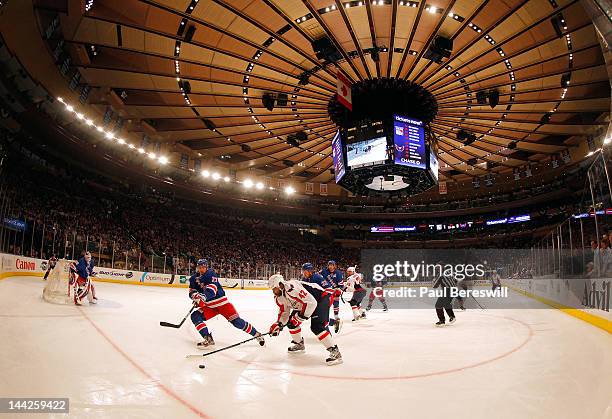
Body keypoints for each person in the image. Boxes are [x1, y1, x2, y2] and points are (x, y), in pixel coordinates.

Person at [267, 272, 343, 366]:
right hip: (305, 303)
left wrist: (299, 318)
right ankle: (299, 344)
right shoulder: (279, 297)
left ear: (280, 285)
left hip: (321, 298)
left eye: (274, 289)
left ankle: (335, 352)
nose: (273, 291)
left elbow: (311, 303)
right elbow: (284, 312)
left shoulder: (292, 288)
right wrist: (279, 324)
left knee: (317, 326)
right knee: (291, 324)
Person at [189, 259, 264, 348]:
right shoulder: (193, 278)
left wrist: (200, 297)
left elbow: (211, 292)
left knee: (237, 322)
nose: (201, 269)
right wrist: (195, 297)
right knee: (195, 316)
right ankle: (208, 338)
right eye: (200, 267)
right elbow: (191, 292)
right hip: (210, 307)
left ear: (206, 267)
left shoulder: (210, 274)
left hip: (222, 304)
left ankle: (257, 334)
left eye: (203, 267)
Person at [301, 263, 342, 333]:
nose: (304, 273)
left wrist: (325, 298)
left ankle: (328, 337)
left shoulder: (317, 277)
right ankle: (334, 322)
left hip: (325, 299)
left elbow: (329, 289)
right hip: (316, 301)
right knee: (316, 317)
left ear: (310, 271)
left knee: (321, 321)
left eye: (305, 271)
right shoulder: (304, 279)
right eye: (303, 271)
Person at [320, 260, 344, 329]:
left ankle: (336, 317)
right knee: (325, 305)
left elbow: (341, 285)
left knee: (336, 303)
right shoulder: (324, 271)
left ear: (334, 266)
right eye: (329, 265)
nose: (330, 266)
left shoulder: (338, 273)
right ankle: (326, 319)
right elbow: (318, 277)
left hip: (335, 291)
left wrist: (339, 289)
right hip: (326, 291)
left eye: (332, 265)